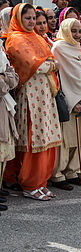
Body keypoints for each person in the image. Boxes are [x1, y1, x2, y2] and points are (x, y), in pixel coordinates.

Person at [4, 3, 61, 200]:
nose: (30, 22)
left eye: (32, 18)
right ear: (18, 19)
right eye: (27, 18)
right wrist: (51, 65)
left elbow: (51, 60)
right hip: (29, 96)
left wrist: (50, 64)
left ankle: (41, 182)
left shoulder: (37, 37)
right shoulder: (15, 39)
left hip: (45, 95)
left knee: (46, 138)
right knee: (32, 139)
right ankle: (29, 184)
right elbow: (35, 65)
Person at [50, 18, 81, 190]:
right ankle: (58, 173)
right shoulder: (58, 47)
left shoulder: (76, 47)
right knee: (67, 136)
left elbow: (79, 73)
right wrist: (71, 100)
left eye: (79, 31)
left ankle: (73, 170)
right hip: (70, 98)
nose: (77, 34)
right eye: (73, 31)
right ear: (65, 30)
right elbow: (63, 77)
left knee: (80, 135)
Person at [0, 33, 19, 211]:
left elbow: (13, 78)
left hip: (4, 106)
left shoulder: (1, 47)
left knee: (2, 148)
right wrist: (6, 77)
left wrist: (6, 76)